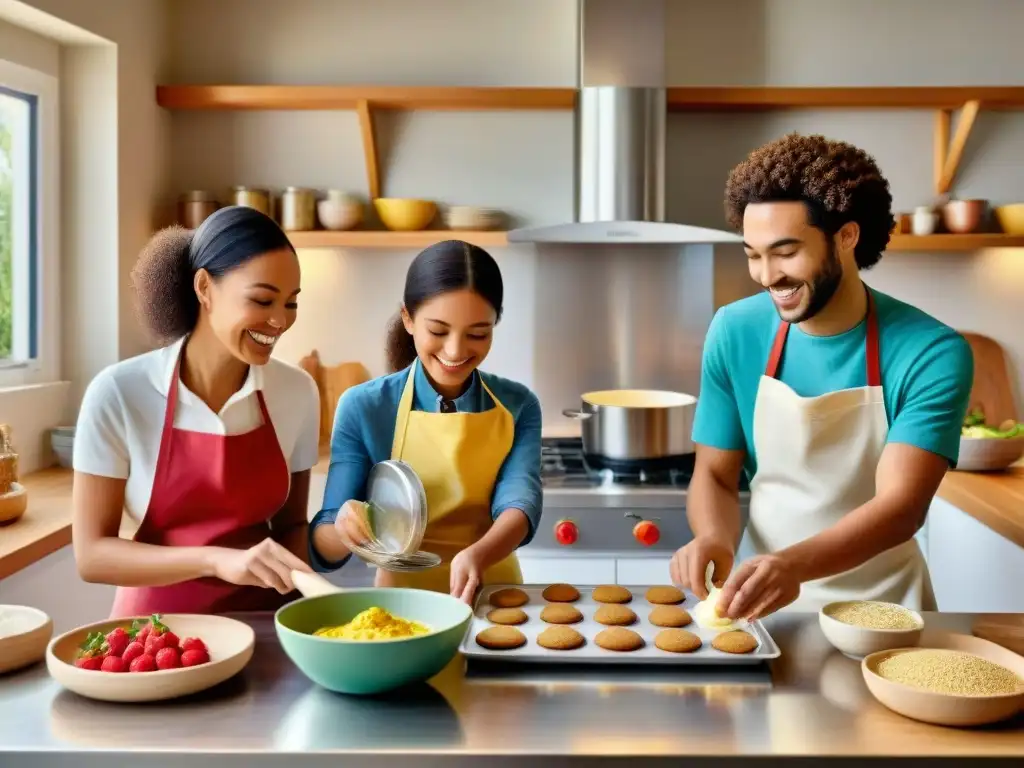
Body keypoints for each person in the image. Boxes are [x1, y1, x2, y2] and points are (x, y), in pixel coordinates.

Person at [670, 133, 973, 619]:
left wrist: (792, 566)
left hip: (884, 611)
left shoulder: (930, 351)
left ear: (846, 237)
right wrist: (712, 536)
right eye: (753, 254)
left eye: (786, 252)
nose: (767, 275)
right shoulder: (734, 331)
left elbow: (900, 509)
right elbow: (715, 475)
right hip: (756, 604)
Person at [72, 206, 319, 618]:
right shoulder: (118, 393)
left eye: (291, 303)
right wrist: (214, 560)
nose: (279, 321)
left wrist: (313, 594)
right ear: (204, 287)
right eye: (262, 299)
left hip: (267, 622)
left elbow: (293, 527)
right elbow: (92, 555)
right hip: (157, 632)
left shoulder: (297, 392)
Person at [308, 240, 543, 603]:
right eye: (438, 330)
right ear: (408, 318)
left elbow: (520, 502)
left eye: (478, 334)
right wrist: (343, 527)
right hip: (401, 606)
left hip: (493, 595)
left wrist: (477, 555)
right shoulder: (363, 406)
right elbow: (324, 546)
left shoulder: (519, 405)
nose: (455, 350)